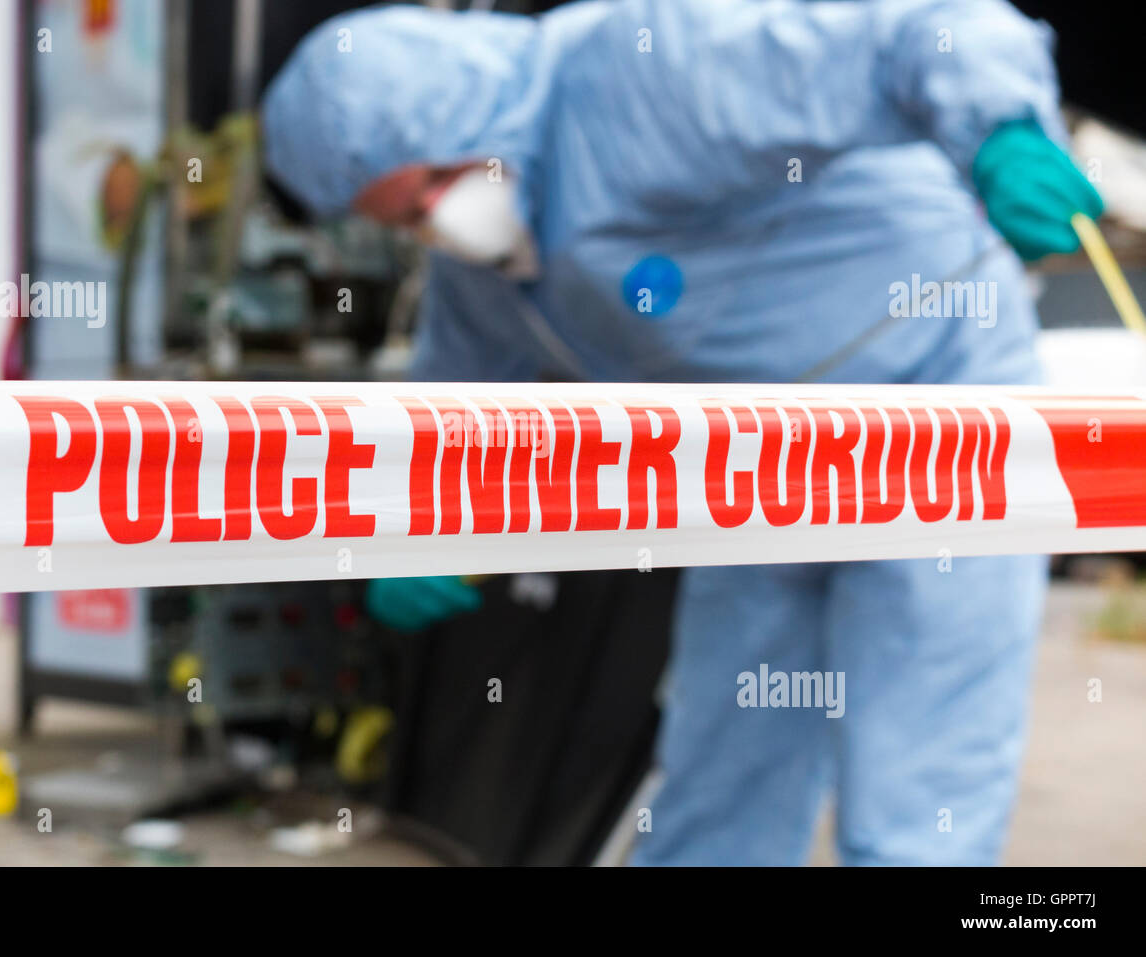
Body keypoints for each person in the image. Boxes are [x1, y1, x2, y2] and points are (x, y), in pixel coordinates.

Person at [262, 0, 1103, 864]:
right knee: (721, 775)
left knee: (916, 784)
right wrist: (418, 529)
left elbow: (918, 24)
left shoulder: (649, 67)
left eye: (434, 188)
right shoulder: (490, 264)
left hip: (935, 404)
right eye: (408, 220)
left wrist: (1002, 125)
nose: (439, 224)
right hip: (757, 457)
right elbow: (459, 405)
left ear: (464, 114)